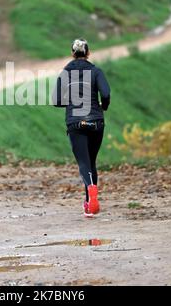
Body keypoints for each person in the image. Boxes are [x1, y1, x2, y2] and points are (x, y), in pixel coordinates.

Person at [52, 39, 111, 218]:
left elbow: (56, 100)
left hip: (75, 123)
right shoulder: (95, 71)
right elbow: (106, 93)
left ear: (72, 54)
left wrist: (70, 103)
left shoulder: (65, 73)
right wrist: (104, 106)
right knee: (92, 162)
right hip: (96, 122)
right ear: (88, 53)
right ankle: (89, 204)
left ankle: (90, 195)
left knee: (83, 163)